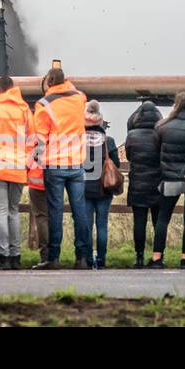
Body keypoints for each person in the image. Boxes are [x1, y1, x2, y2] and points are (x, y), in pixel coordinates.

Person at [31, 66, 91, 270]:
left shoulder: (43, 104)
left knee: (55, 212)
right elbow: (77, 95)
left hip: (54, 164)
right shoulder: (79, 98)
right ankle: (82, 257)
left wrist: (36, 162)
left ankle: (53, 258)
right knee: (80, 211)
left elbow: (40, 139)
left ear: (48, 83)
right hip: (76, 163)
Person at [0, 75, 31, 269]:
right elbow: (33, 139)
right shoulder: (25, 110)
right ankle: (15, 255)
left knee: (0, 212)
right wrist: (26, 161)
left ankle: (2, 255)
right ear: (13, 88)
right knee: (13, 211)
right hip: (18, 168)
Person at [150, 91, 185, 268]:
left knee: (163, 218)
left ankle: (157, 257)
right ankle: (184, 258)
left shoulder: (163, 126)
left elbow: (156, 151)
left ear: (176, 105)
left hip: (170, 178)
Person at [123, 100, 162, 268]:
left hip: (138, 183)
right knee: (158, 222)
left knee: (139, 222)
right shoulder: (160, 134)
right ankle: (158, 257)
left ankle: (139, 257)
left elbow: (130, 156)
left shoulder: (132, 135)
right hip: (157, 184)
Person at [82, 100, 120, 269]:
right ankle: (102, 259)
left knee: (87, 225)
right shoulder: (108, 141)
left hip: (84, 187)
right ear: (100, 121)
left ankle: (88, 258)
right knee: (102, 224)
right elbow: (116, 165)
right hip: (104, 188)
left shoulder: (78, 140)